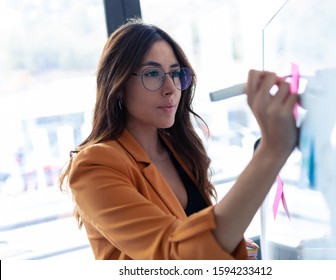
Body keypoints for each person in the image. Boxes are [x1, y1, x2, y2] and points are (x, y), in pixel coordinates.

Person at [58, 18, 298, 260]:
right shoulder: (95, 165)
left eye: (175, 73)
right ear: (118, 85)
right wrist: (271, 151)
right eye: (152, 73)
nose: (171, 87)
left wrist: (236, 250)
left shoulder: (180, 150)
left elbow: (198, 240)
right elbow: (173, 255)